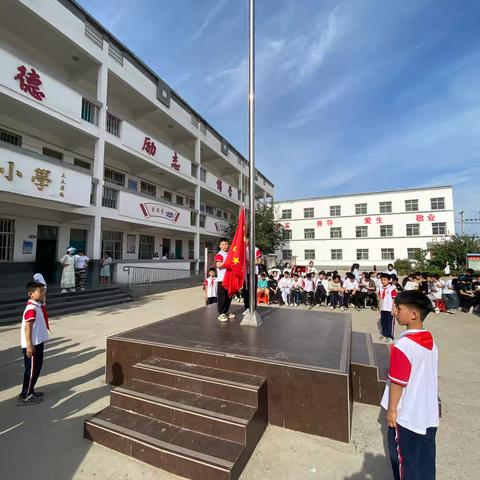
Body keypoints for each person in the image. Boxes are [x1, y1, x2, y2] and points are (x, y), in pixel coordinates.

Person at [382, 290, 438, 480]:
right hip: (427, 414)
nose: (394, 312)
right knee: (425, 462)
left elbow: (398, 381)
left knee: (405, 465)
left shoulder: (403, 345)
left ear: (413, 314)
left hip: (406, 416)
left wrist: (391, 411)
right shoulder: (430, 341)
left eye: (398, 308)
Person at [18, 282, 50, 405]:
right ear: (31, 294)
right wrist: (29, 345)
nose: (43, 294)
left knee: (35, 369)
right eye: (40, 291)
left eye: (43, 291)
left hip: (37, 342)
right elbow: (28, 327)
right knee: (31, 371)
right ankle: (26, 395)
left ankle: (30, 391)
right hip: (33, 345)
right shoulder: (31, 308)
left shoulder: (37, 305)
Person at [215, 238, 235, 322]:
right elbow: (218, 265)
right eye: (223, 244)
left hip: (229, 279)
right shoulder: (219, 254)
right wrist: (228, 262)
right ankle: (221, 313)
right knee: (222, 297)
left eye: (226, 244)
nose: (225, 246)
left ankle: (226, 311)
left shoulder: (229, 254)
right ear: (220, 246)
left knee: (228, 296)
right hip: (222, 279)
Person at [378, 273, 397, 343]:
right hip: (383, 308)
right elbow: (380, 298)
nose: (383, 281)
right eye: (382, 280)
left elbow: (394, 300)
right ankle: (384, 335)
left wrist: (393, 309)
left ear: (389, 280)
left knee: (390, 323)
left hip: (389, 309)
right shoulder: (381, 288)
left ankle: (390, 336)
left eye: (384, 280)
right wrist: (379, 307)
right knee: (383, 323)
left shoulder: (392, 288)